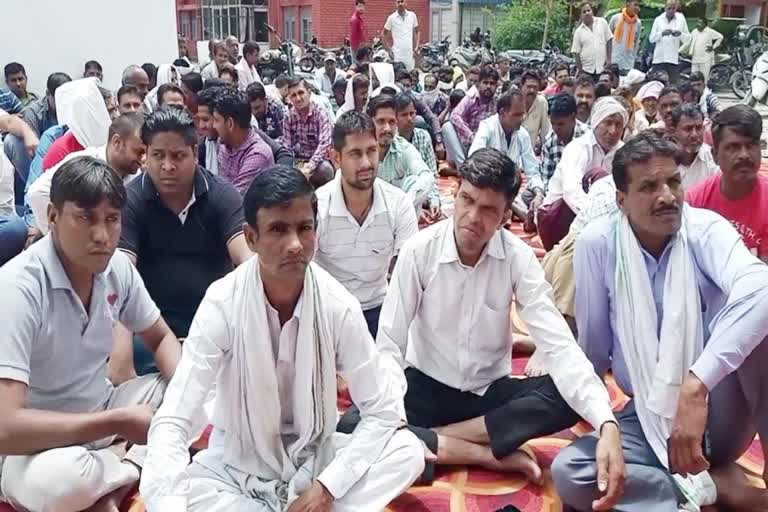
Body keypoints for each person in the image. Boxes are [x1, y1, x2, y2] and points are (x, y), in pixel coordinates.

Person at [140, 164, 426, 511]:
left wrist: (326, 488)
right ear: (251, 238)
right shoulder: (222, 304)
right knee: (183, 492)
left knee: (407, 452)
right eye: (278, 229)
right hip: (238, 466)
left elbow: (382, 411)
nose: (295, 244)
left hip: (314, 460)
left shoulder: (338, 306)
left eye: (304, 228)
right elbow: (176, 417)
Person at [369, 148, 624, 502]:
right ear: (454, 196)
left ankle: (435, 440)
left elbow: (559, 344)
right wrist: (391, 413)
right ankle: (481, 452)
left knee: (570, 394)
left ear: (506, 216)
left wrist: (606, 423)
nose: (472, 217)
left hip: (487, 394)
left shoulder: (517, 259)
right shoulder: (419, 251)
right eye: (467, 200)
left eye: (488, 209)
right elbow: (390, 344)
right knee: (355, 426)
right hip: (426, 386)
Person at [553, 130, 768, 512]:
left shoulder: (705, 230)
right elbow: (594, 351)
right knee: (573, 471)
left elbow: (762, 287)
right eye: (649, 186)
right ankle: (713, 487)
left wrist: (696, 383)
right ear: (621, 200)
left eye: (672, 181)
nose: (667, 196)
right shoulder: (598, 244)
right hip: (648, 415)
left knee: (762, 327)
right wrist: (605, 425)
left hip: (717, 414)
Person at [0, 156, 180, 512]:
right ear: (52, 217)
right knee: (61, 484)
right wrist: (117, 423)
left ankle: (114, 477)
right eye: (85, 217)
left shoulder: (115, 269)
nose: (102, 235)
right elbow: (6, 425)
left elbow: (160, 338)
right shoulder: (17, 288)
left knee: (201, 390)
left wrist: (185, 394)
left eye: (112, 220)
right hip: (35, 447)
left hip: (103, 408)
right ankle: (133, 466)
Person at [115, 108, 251, 378]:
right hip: (151, 327)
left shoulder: (222, 196)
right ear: (146, 156)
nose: (167, 166)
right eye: (158, 156)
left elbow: (246, 259)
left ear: (195, 154)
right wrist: (121, 354)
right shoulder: (130, 200)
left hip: (214, 323)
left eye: (178, 156)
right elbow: (120, 274)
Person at [315, 111, 418, 338]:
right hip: (330, 312)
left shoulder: (398, 203)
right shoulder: (317, 207)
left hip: (380, 310)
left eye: (372, 151)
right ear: (336, 158)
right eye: (355, 153)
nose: (366, 163)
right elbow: (302, 275)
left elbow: (409, 273)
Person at [28, 112, 146, 235]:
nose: (144, 159)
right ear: (117, 142)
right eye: (139, 152)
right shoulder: (81, 165)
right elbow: (37, 193)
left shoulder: (136, 175)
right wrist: (63, 238)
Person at [539, 97, 628, 249]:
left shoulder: (624, 152)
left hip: (605, 221)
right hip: (559, 217)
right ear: (596, 123)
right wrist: (599, 218)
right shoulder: (578, 148)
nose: (613, 131)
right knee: (598, 176)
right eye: (608, 123)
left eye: (618, 125)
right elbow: (571, 192)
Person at [688, 105, 768, 262]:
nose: (744, 155)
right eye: (733, 147)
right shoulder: (693, 204)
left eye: (751, 145)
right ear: (715, 155)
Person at [469, 90, 542, 218]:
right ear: (502, 113)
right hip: (488, 186)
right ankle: (517, 211)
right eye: (517, 115)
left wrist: (539, 194)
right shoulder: (487, 127)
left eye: (522, 114)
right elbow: (475, 158)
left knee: (534, 198)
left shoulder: (522, 134)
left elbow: (532, 169)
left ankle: (513, 210)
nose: (522, 119)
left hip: (510, 189)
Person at [4, 72, 71, 203]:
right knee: (12, 141)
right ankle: (31, 194)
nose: (64, 102)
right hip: (40, 160)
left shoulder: (74, 107)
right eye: (59, 98)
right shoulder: (33, 112)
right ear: (48, 95)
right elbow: (34, 151)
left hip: (68, 158)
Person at [368, 94, 435, 211]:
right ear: (370, 123)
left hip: (398, 211)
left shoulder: (402, 146)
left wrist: (406, 205)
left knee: (414, 181)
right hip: (368, 210)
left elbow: (427, 176)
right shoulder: (362, 149)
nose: (387, 128)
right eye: (381, 122)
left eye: (391, 122)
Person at [213, 88, 275, 194]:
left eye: (216, 120)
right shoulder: (223, 143)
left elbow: (233, 201)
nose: (213, 125)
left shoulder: (257, 155)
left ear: (230, 124)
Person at [395, 93, 441, 221]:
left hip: (422, 192)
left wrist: (434, 202)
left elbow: (432, 173)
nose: (410, 118)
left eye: (412, 113)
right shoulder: (392, 143)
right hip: (400, 198)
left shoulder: (423, 136)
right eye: (404, 115)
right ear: (395, 118)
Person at [282, 77, 335, 188]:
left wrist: (310, 166)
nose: (298, 98)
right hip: (300, 160)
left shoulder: (320, 113)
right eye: (294, 95)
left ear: (309, 93)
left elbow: (324, 144)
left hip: (320, 161)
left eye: (301, 93)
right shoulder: (288, 117)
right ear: (290, 98)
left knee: (326, 170)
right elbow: (287, 145)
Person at [446, 65, 499, 166]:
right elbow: (454, 115)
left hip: (485, 147)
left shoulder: (497, 102)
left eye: (492, 83)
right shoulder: (470, 98)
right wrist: (470, 135)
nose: (488, 86)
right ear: (479, 84)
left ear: (496, 86)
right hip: (465, 144)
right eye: (485, 82)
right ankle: (463, 167)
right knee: (447, 126)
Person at [541, 93, 591, 197]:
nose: (555, 128)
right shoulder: (550, 141)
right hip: (558, 195)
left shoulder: (589, 137)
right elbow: (547, 180)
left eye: (560, 124)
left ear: (573, 118)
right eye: (553, 123)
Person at [0, 110, 29, 264]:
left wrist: (28, 134)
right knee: (17, 229)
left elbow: (11, 122)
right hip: (5, 220)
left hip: (8, 209)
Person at [669, 103, 718, 189]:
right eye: (688, 129)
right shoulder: (662, 159)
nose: (694, 135)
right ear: (673, 131)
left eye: (698, 128)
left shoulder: (712, 160)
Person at [649, 0, 689, 84]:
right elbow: (651, 38)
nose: (671, 10)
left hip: (672, 59)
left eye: (673, 8)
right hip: (659, 59)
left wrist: (680, 34)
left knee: (672, 85)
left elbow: (687, 39)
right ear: (665, 8)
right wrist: (662, 33)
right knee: (657, 84)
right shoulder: (658, 19)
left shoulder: (681, 19)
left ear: (676, 8)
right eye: (669, 8)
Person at [571, 2, 613, 81]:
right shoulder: (578, 32)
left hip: (602, 68)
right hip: (587, 71)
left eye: (588, 10)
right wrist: (580, 70)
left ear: (592, 11)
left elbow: (609, 40)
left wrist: (609, 60)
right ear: (581, 15)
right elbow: (575, 52)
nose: (587, 13)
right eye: (584, 12)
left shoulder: (602, 22)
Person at [383, 0, 420, 71]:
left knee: (410, 77)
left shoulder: (412, 15)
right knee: (398, 77)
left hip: (409, 55)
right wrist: (388, 49)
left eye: (402, 1)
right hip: (397, 55)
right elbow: (384, 33)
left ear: (405, 2)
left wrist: (417, 47)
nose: (400, 4)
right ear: (395, 4)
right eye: (398, 2)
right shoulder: (392, 18)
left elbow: (417, 31)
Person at [520, 70, 552, 151]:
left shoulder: (542, 103)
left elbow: (545, 132)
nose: (532, 90)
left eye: (535, 87)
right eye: (529, 87)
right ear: (522, 86)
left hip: (531, 153)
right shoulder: (514, 101)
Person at [609, 0, 642, 75]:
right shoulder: (615, 18)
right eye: (635, 5)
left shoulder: (638, 23)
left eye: (638, 6)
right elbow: (608, 39)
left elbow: (636, 43)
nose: (637, 8)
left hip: (628, 62)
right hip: (614, 59)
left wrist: (633, 57)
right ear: (628, 4)